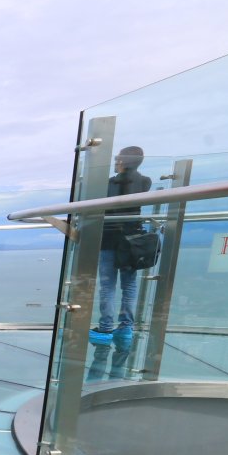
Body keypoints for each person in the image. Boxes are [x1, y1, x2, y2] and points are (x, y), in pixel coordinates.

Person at [91, 145, 152, 346]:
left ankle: (106, 327)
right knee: (130, 284)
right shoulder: (145, 182)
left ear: (122, 161)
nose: (115, 162)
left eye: (117, 159)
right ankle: (126, 327)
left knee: (108, 285)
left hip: (109, 237)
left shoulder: (109, 184)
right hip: (132, 239)